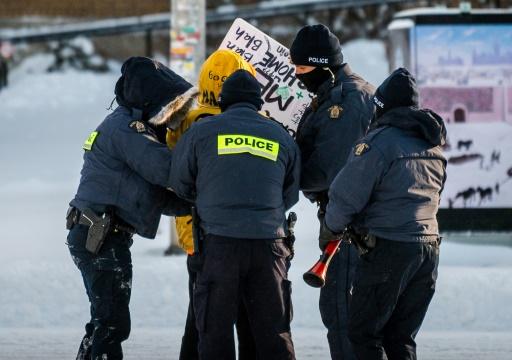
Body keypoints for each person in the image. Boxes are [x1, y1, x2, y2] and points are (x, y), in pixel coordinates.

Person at [66, 56, 197, 360]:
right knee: (111, 325)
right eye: (169, 107)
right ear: (151, 99)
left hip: (98, 233)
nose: (172, 115)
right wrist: (204, 161)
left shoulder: (130, 128)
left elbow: (156, 196)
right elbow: (165, 170)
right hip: (99, 236)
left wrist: (196, 204)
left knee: (104, 321)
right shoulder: (127, 129)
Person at [170, 69, 300, 360]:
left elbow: (179, 183)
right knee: (274, 335)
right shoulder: (281, 136)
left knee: (214, 333)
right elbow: (289, 195)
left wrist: (211, 200)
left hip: (218, 246)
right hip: (270, 248)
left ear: (223, 101)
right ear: (258, 102)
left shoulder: (201, 132)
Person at [321, 68, 447, 360]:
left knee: (364, 334)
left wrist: (332, 226)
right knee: (400, 337)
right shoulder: (433, 147)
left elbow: (345, 196)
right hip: (428, 250)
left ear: (381, 107)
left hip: (390, 250)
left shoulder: (378, 144)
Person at [160, 49, 258, 360]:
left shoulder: (186, 120)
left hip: (197, 235)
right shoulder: (256, 123)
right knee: (249, 320)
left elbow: (175, 175)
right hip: (250, 237)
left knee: (201, 320)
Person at [289, 23, 375, 359]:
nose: (297, 75)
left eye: (303, 68)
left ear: (324, 65)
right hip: (356, 222)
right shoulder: (347, 91)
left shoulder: (347, 102)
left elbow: (328, 169)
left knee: (343, 316)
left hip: (352, 227)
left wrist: (285, 170)